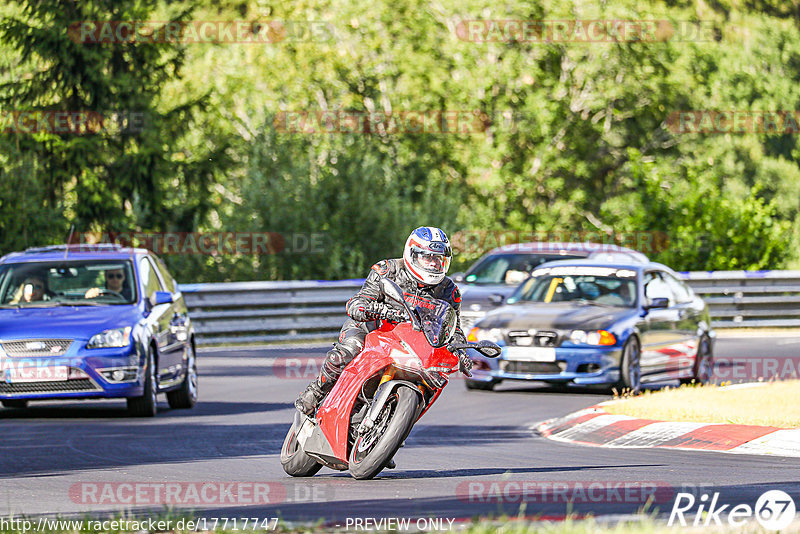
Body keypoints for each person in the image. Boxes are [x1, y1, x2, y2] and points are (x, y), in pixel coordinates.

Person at [295, 227, 470, 415]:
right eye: (428, 257)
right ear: (412, 253)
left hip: (413, 341)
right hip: (372, 329)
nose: (434, 264)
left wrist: (461, 351)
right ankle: (316, 392)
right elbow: (357, 302)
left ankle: (398, 421)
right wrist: (373, 309)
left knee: (435, 376)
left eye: (439, 259)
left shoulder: (449, 290)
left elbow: (453, 327)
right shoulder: (387, 270)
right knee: (349, 350)